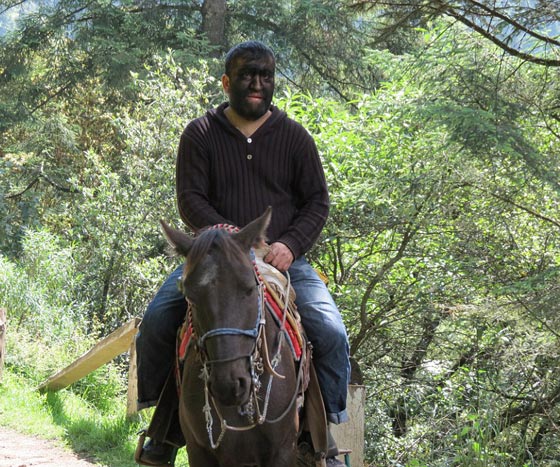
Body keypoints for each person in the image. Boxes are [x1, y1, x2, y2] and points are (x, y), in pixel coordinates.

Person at [136, 40, 350, 467]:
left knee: (330, 333)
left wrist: (290, 245)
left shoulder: (294, 136)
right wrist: (229, 236)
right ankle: (166, 430)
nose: (256, 84)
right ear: (226, 81)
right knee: (157, 322)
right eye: (247, 75)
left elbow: (317, 203)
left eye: (265, 76)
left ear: (273, 82)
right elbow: (190, 199)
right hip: (214, 258)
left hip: (281, 258)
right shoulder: (200, 133)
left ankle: (320, 434)